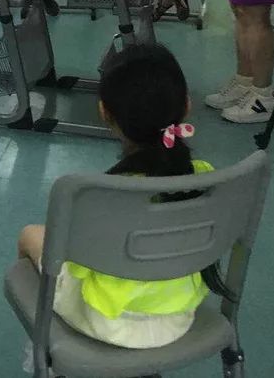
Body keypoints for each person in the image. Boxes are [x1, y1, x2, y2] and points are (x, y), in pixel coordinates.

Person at [17, 43, 211, 350]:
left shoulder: (98, 196)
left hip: (106, 321)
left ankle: (43, 353)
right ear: (186, 105)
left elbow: (75, 263)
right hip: (179, 317)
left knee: (30, 235)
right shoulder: (207, 177)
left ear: (104, 112)